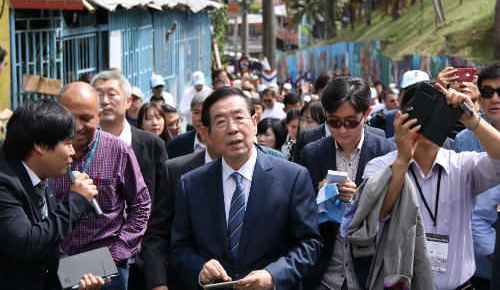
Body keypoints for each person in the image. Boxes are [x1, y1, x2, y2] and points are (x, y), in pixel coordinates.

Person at [169, 86, 323, 289]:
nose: (232, 128)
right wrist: (200, 268)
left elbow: (309, 243)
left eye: (239, 118)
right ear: (208, 134)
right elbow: (180, 247)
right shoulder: (190, 185)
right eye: (221, 121)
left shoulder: (293, 177)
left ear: (255, 123)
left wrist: (273, 275)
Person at [358, 81, 500, 290]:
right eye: (420, 112)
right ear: (401, 117)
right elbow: (379, 212)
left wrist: (472, 120)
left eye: (438, 112)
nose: (427, 120)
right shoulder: (379, 166)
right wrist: (403, 158)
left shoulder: (462, 165)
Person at [300, 76, 396, 290]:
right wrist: (318, 198)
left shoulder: (386, 152)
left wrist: (361, 197)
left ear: (367, 115)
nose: (343, 130)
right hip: (324, 275)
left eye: (351, 122)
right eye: (334, 122)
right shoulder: (312, 154)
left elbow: (394, 211)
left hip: (370, 273)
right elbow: (301, 217)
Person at [0, 99, 105, 290]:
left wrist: (77, 279)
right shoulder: (4, 183)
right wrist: (76, 201)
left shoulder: (43, 179)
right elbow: (26, 244)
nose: (72, 152)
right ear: (39, 145)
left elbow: (47, 244)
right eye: (67, 143)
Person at [89, 71, 168, 289]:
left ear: (128, 101)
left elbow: (164, 203)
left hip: (146, 260)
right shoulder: (83, 149)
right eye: (98, 95)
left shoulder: (152, 144)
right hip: (99, 263)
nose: (104, 101)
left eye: (112, 94)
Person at [451, 64, 500, 289]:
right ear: (481, 96)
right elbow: (462, 202)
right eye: (488, 93)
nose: (495, 99)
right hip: (477, 266)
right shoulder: (464, 138)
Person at [167, 89, 212, 159]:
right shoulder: (177, 144)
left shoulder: (226, 143)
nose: (200, 118)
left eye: (205, 112)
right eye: (196, 112)